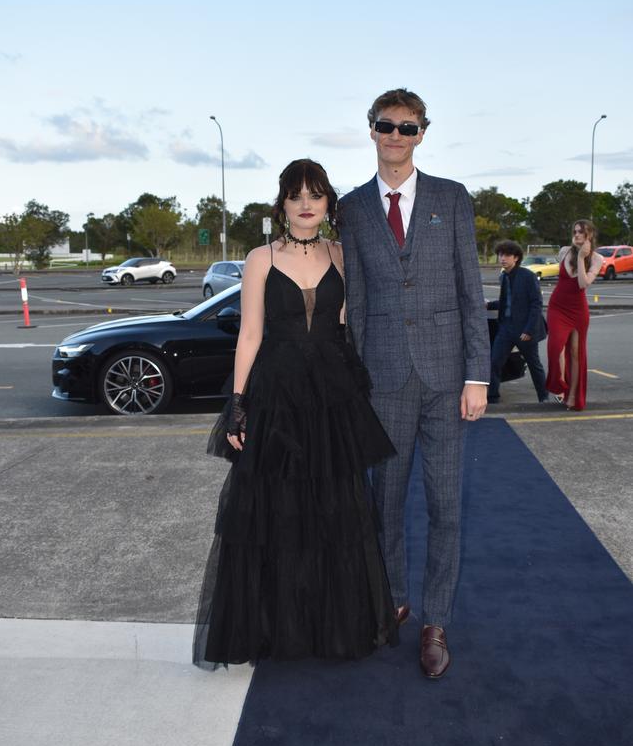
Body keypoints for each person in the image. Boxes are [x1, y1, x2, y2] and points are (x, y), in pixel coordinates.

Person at [193, 159, 398, 668]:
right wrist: (238, 408)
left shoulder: (342, 254)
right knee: (277, 513)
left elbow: (347, 327)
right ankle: (275, 629)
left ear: (329, 204)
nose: (306, 203)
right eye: (296, 194)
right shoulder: (259, 258)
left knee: (335, 512)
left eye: (316, 194)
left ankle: (331, 627)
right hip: (276, 396)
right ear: (282, 203)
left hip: (331, 398)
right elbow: (250, 334)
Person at [339, 88, 490, 680]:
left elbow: (469, 293)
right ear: (371, 130)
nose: (395, 136)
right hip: (384, 378)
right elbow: (357, 299)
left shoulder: (451, 200)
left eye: (407, 127)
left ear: (423, 133)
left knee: (447, 507)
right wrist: (354, 380)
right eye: (386, 126)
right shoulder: (352, 209)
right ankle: (394, 599)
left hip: (447, 378)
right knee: (386, 504)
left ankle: (436, 620)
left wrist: (477, 374)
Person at [546, 220, 603, 411]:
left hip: (578, 310)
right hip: (557, 307)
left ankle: (572, 396)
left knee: (576, 354)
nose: (577, 235)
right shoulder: (564, 251)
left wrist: (581, 258)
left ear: (590, 236)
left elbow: (582, 284)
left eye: (581, 232)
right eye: (575, 232)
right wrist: (575, 254)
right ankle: (559, 384)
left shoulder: (596, 259)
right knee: (555, 347)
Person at [486, 240, 550, 404]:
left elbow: (536, 304)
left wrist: (529, 330)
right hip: (505, 329)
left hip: (524, 330)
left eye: (507, 255)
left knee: (534, 365)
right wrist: (488, 305)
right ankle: (492, 397)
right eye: (500, 255)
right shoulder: (504, 276)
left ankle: (544, 398)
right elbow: (507, 302)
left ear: (516, 258)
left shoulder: (527, 276)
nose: (502, 258)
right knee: (494, 362)